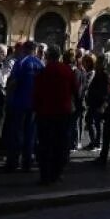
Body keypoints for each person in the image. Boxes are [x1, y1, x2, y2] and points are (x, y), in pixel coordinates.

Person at [32, 45, 74, 184]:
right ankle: (57, 173)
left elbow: (37, 92)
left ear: (48, 56)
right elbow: (75, 90)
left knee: (45, 145)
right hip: (63, 112)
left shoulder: (44, 71)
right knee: (60, 144)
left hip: (46, 113)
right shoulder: (67, 70)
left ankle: (45, 175)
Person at [3, 41, 43, 172]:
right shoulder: (40, 64)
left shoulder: (21, 62)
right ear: (35, 50)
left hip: (19, 103)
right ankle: (27, 163)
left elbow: (13, 82)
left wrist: (8, 97)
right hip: (34, 104)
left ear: (25, 49)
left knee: (16, 133)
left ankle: (13, 162)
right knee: (30, 134)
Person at [82, 54, 109, 150]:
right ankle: (94, 141)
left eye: (98, 62)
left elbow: (105, 91)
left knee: (97, 123)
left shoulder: (104, 74)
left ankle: (97, 143)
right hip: (93, 101)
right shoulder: (98, 73)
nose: (96, 63)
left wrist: (102, 105)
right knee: (90, 121)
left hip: (99, 102)